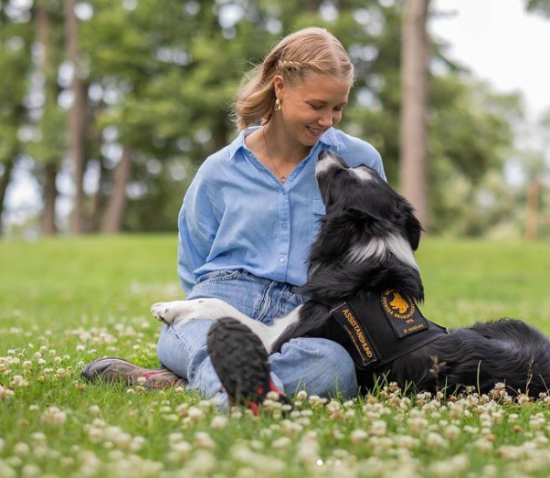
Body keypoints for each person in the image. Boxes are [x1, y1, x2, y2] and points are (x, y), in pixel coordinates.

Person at [82, 27, 386, 409]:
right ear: (280, 88)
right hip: (220, 301)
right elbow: (193, 259)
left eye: (338, 107)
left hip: (305, 317)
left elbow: (374, 251)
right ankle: (243, 391)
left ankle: (198, 385)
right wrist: (209, 308)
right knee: (210, 341)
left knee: (335, 368)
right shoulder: (219, 170)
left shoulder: (359, 162)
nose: (328, 119)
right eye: (316, 105)